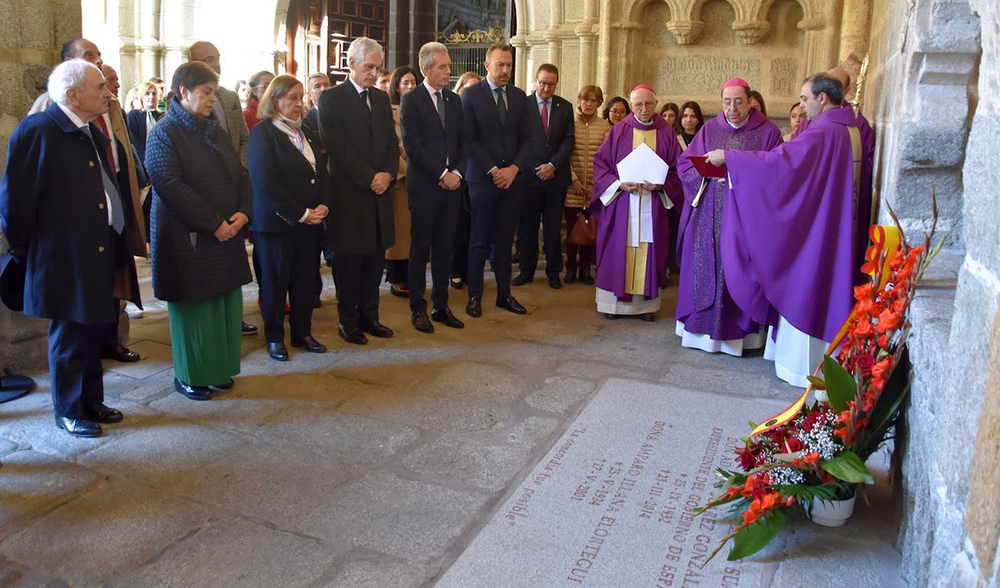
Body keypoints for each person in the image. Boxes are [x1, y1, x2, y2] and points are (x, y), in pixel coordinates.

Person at [1, 59, 143, 437]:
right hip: (62, 254)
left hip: (98, 248)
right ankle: (68, 409)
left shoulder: (89, 129)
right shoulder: (38, 131)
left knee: (95, 327)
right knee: (69, 334)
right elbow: (15, 203)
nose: (108, 93)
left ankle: (91, 401)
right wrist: (26, 251)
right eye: (99, 86)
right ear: (72, 94)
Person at [704, 73, 863, 387]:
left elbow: (782, 164)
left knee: (807, 284)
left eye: (805, 99)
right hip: (833, 223)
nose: (801, 106)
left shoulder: (824, 132)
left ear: (824, 98)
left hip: (818, 231)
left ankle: (802, 368)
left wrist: (731, 160)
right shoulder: (850, 128)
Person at [145, 61, 253, 399]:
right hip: (188, 238)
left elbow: (241, 174)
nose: (211, 99)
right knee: (196, 309)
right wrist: (214, 223)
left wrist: (242, 213)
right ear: (183, 92)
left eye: (213, 92)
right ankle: (190, 375)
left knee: (223, 307)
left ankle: (218, 369)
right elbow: (169, 185)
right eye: (206, 93)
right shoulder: (164, 133)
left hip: (226, 231)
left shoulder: (214, 129)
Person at [674, 78, 784, 357]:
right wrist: (703, 173)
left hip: (746, 215)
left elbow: (776, 171)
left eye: (738, 101)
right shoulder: (710, 128)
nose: (732, 108)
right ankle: (701, 331)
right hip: (709, 209)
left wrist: (733, 162)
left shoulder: (768, 132)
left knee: (737, 268)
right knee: (707, 266)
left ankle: (739, 334)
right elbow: (686, 162)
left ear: (749, 102)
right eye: (726, 102)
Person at [318, 36, 399, 345]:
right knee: (349, 263)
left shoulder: (379, 99)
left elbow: (392, 143)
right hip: (350, 195)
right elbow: (337, 147)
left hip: (379, 195)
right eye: (369, 67)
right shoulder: (331, 98)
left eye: (378, 68)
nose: (375, 74)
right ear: (351, 64)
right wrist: (370, 177)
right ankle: (348, 321)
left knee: (375, 260)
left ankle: (370, 316)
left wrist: (388, 174)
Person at [247, 75, 330, 361]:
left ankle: (302, 333)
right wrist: (301, 213)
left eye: (300, 97)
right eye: (291, 98)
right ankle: (274, 338)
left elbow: (318, 174)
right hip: (276, 225)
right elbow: (265, 182)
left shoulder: (303, 130)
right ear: (274, 100)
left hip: (309, 224)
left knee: (304, 280)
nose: (298, 103)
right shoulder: (263, 132)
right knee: (275, 282)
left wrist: (322, 206)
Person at [590, 85, 683, 321]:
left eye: (648, 104)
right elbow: (601, 164)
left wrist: (662, 186)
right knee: (618, 248)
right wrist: (619, 184)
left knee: (650, 250)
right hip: (622, 204)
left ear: (656, 103)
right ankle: (612, 306)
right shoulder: (619, 131)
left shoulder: (666, 133)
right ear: (631, 106)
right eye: (638, 104)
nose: (644, 109)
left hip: (652, 204)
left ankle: (645, 307)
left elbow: (678, 169)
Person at [461, 41, 538, 318]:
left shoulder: (520, 98)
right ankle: (475, 296)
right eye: (500, 65)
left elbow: (529, 140)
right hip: (483, 179)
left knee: (505, 240)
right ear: (487, 65)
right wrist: (494, 170)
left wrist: (514, 169)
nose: (505, 70)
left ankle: (504, 294)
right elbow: (469, 139)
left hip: (513, 180)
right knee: (479, 239)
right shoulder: (470, 96)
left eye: (509, 66)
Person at [188, 40, 257, 336]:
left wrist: (238, 173)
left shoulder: (228, 97)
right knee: (205, 262)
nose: (214, 64)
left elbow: (242, 138)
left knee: (233, 258)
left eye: (217, 59)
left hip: (232, 186)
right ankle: (211, 319)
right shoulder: (179, 101)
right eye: (207, 60)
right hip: (201, 194)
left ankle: (233, 315)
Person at [400, 42, 467, 333]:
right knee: (421, 248)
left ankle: (441, 306)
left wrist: (457, 173)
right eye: (443, 67)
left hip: (452, 187)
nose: (449, 72)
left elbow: (464, 141)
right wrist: (442, 173)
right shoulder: (411, 100)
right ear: (426, 69)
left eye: (449, 66)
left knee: (444, 248)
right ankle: (418, 309)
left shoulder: (454, 100)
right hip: (425, 186)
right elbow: (413, 145)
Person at [513, 63, 575, 290]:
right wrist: (535, 167)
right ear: (536, 81)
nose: (546, 88)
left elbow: (568, 141)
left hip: (555, 179)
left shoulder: (565, 107)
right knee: (527, 227)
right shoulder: (523, 105)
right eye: (542, 82)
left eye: (551, 84)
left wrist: (552, 165)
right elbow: (518, 140)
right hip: (528, 177)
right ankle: (526, 271)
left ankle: (553, 271)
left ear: (556, 84)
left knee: (552, 228)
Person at [566, 85, 611, 286]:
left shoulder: (605, 127)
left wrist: (596, 184)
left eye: (594, 101)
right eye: (586, 100)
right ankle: (570, 268)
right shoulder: (569, 124)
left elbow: (607, 158)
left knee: (590, 229)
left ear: (599, 104)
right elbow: (563, 155)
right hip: (571, 187)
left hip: (594, 188)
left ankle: (585, 269)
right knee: (571, 230)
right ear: (579, 100)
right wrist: (573, 179)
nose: (589, 104)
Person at [385, 66, 418, 298]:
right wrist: (408, 166)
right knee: (400, 234)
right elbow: (389, 145)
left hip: (421, 178)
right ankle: (397, 277)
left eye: (413, 82)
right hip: (401, 179)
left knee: (415, 233)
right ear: (396, 86)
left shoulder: (419, 107)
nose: (409, 86)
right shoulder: (387, 111)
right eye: (405, 82)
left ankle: (413, 275)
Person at [448, 71, 482, 291]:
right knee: (456, 227)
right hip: (456, 174)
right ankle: (455, 270)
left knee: (474, 228)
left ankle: (471, 269)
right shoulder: (451, 111)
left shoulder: (482, 113)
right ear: (460, 90)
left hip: (477, 174)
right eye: (469, 89)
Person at [126, 81, 164, 164]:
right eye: (147, 93)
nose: (151, 97)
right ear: (141, 96)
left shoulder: (162, 115)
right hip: (142, 160)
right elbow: (135, 142)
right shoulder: (134, 115)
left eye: (154, 94)